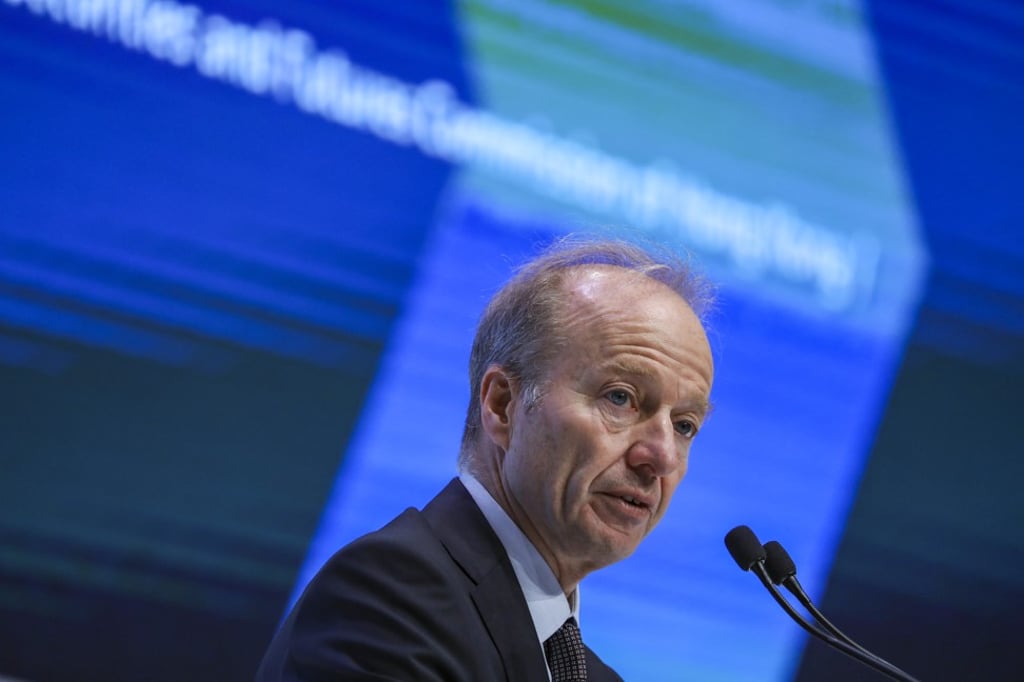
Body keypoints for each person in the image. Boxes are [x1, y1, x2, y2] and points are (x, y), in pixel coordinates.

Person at [256, 237, 715, 681]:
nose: (661, 456)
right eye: (621, 398)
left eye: (684, 425)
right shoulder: (388, 597)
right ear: (501, 405)